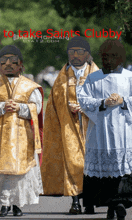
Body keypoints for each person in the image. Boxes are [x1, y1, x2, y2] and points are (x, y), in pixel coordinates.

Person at [0, 45, 44, 217]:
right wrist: (2, 106)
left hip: (22, 134)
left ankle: (17, 204)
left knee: (21, 171)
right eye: (3, 63)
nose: (8, 66)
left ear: (20, 64)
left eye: (13, 63)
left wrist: (20, 107)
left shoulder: (30, 86)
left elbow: (36, 108)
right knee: (1, 171)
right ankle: (4, 204)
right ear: (0, 65)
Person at [41, 36, 99, 214]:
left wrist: (84, 108)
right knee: (73, 163)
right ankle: (75, 201)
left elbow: (103, 100)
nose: (75, 55)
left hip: (92, 128)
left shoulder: (97, 76)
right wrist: (66, 108)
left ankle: (90, 201)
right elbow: (53, 104)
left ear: (87, 54)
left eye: (79, 52)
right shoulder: (62, 78)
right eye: (71, 52)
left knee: (91, 165)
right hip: (69, 128)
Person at [78, 39, 132, 220]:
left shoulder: (129, 77)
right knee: (103, 169)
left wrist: (123, 101)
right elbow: (83, 101)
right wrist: (103, 102)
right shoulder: (93, 78)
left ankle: (120, 203)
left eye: (111, 56)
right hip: (100, 131)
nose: (107, 60)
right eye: (104, 57)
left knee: (122, 169)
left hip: (124, 131)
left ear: (120, 58)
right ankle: (110, 205)